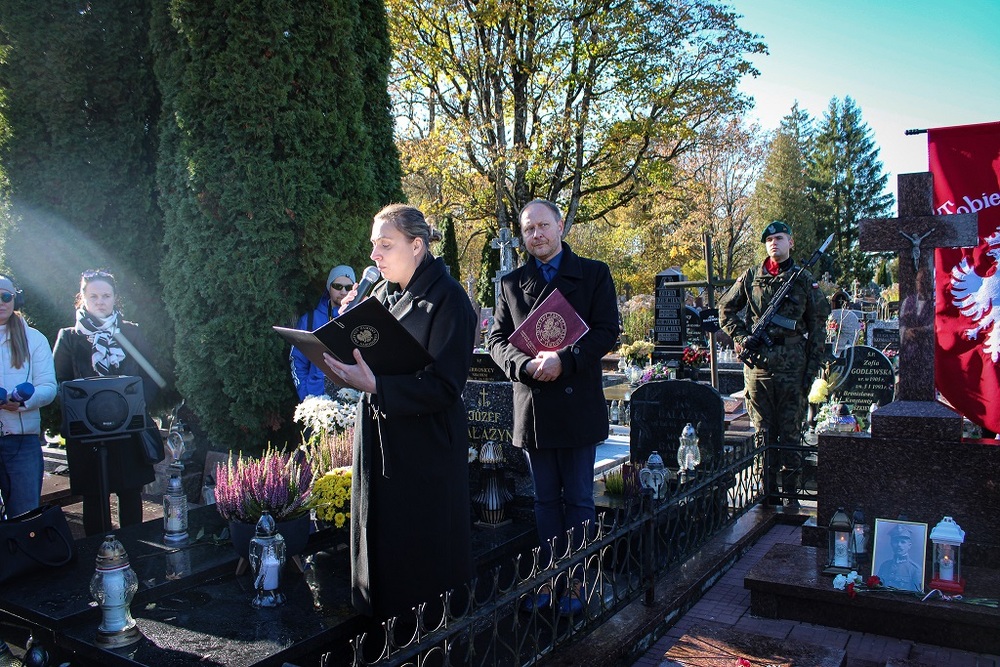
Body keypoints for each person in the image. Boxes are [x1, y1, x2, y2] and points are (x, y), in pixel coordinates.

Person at [324, 204, 476, 621]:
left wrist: (379, 386)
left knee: (420, 558)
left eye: (385, 245)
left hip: (424, 450)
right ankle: (378, 624)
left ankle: (424, 634)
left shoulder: (449, 300)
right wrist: (341, 333)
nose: (374, 255)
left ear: (417, 245)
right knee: (378, 539)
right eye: (374, 245)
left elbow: (445, 386)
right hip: (378, 438)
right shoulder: (379, 296)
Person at [486, 199, 619, 616]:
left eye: (543, 225)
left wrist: (566, 359)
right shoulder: (511, 283)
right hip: (534, 407)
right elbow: (496, 340)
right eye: (529, 229)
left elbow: (607, 331)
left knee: (578, 498)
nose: (536, 234)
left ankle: (578, 579)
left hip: (576, 404)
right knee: (544, 501)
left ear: (560, 226)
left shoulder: (594, 274)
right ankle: (549, 577)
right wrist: (523, 365)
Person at [719, 221, 830, 507]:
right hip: (758, 367)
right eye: (768, 240)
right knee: (762, 432)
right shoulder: (751, 276)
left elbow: (818, 326)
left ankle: (791, 495)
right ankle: (766, 494)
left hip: (793, 368)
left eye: (779, 238)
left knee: (791, 433)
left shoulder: (803, 279)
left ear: (790, 242)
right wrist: (742, 337)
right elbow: (725, 309)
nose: (773, 243)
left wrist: (812, 369)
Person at [53, 269, 159, 536]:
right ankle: (97, 554)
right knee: (94, 497)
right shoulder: (69, 337)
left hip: (128, 430)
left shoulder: (131, 333)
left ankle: (134, 549)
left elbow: (150, 376)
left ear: (114, 298)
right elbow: (60, 383)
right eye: (94, 296)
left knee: (130, 493)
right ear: (83, 298)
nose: (100, 301)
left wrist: (135, 406)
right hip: (88, 434)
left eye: (106, 296)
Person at [0, 275, 57, 519]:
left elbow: (49, 387)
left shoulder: (35, 339)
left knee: (25, 519)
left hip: (22, 443)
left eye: (5, 296)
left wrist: (23, 402)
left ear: (16, 299)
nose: (1, 302)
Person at [290, 264, 356, 400]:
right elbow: (297, 360)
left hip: (353, 398)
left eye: (349, 287)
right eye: (338, 286)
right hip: (317, 399)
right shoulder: (310, 320)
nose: (343, 292)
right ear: (328, 287)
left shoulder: (360, 318)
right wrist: (305, 394)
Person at [876, 524, 923, 591]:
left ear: (909, 545)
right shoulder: (884, 565)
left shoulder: (915, 569)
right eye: (896, 541)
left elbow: (917, 593)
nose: (899, 545)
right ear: (891, 544)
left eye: (903, 542)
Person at [828, 290, 862, 357]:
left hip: (834, 348)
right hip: (849, 348)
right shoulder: (853, 316)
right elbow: (857, 332)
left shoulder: (832, 315)